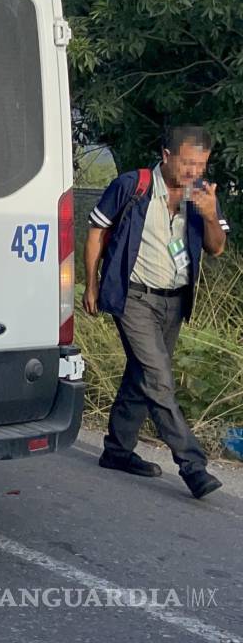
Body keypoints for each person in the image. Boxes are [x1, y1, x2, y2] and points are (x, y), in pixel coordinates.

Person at [84, 125, 229, 499]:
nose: (193, 171)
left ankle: (117, 451)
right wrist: (92, 283)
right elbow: (97, 231)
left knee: (142, 374)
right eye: (187, 162)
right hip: (134, 297)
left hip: (175, 300)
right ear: (167, 156)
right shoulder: (134, 185)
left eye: (200, 164)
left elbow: (216, 249)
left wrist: (210, 215)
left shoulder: (202, 195)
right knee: (159, 379)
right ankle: (193, 466)